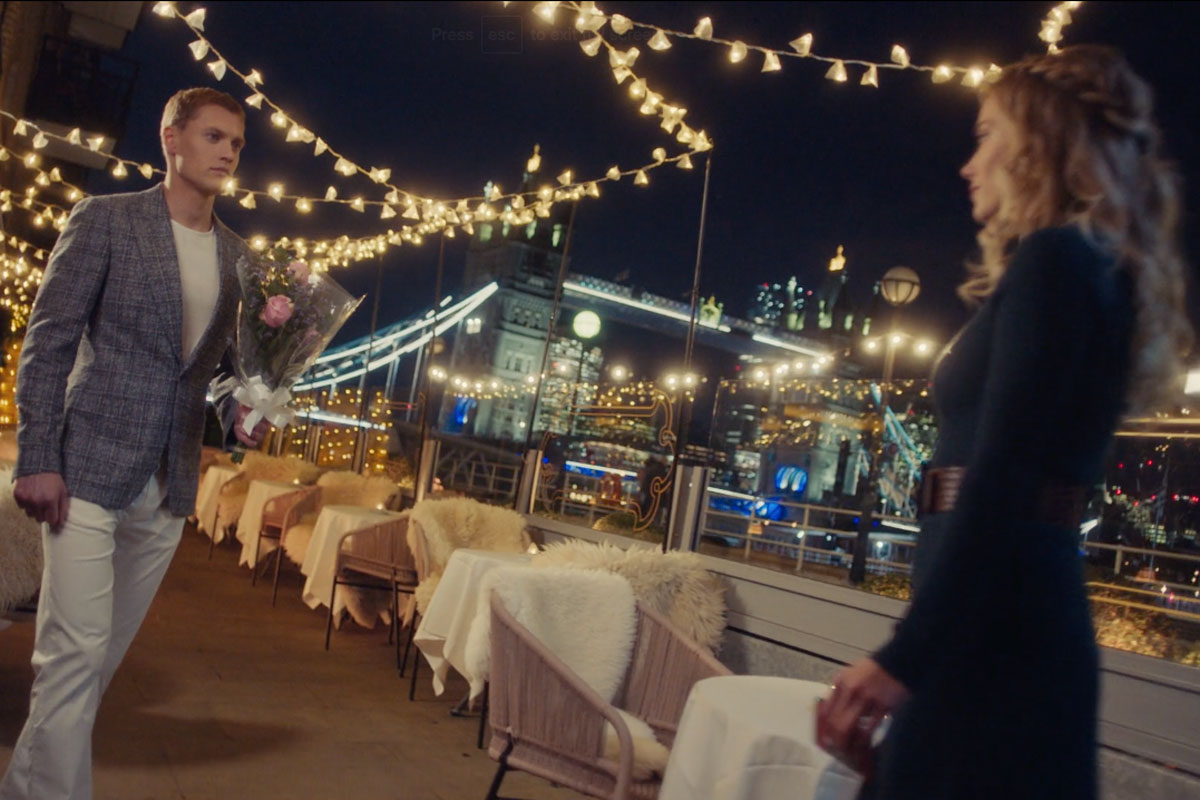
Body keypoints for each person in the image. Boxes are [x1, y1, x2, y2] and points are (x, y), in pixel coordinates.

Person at [816, 45, 1193, 799]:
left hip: (996, 634)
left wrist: (906, 658)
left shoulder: (1056, 261)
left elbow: (1008, 475)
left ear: (1040, 144)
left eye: (988, 134)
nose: (969, 163)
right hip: (1002, 619)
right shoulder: (1082, 266)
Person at [1, 87, 269, 800]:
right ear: (171, 139)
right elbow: (47, 344)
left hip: (167, 483)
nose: (227, 152)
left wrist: (248, 406)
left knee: (96, 664)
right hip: (85, 466)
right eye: (214, 136)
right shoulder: (107, 221)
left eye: (237, 144)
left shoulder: (241, 259)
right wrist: (39, 458)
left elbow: (213, 377)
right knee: (72, 656)